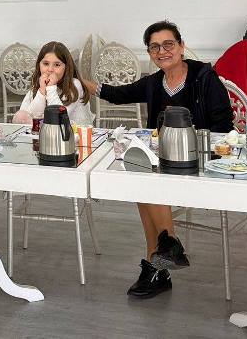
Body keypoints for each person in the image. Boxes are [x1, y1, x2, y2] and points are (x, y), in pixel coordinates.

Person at [83, 20, 234, 299]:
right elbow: (117, 94)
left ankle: (159, 262)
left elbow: (224, 128)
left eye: (168, 44)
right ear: (150, 53)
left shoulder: (204, 78)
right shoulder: (155, 83)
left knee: (148, 183)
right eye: (155, 47)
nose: (162, 51)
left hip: (202, 160)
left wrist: (192, 146)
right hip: (165, 163)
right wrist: (79, 82)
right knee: (142, 174)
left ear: (181, 46)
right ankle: (164, 254)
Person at [12, 41, 94, 126]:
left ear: (66, 67)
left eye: (57, 65)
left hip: (74, 132)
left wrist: (51, 87)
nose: (50, 69)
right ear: (39, 65)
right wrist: (42, 91)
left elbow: (59, 119)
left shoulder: (74, 85)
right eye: (46, 64)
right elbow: (30, 117)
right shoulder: (39, 84)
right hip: (48, 131)